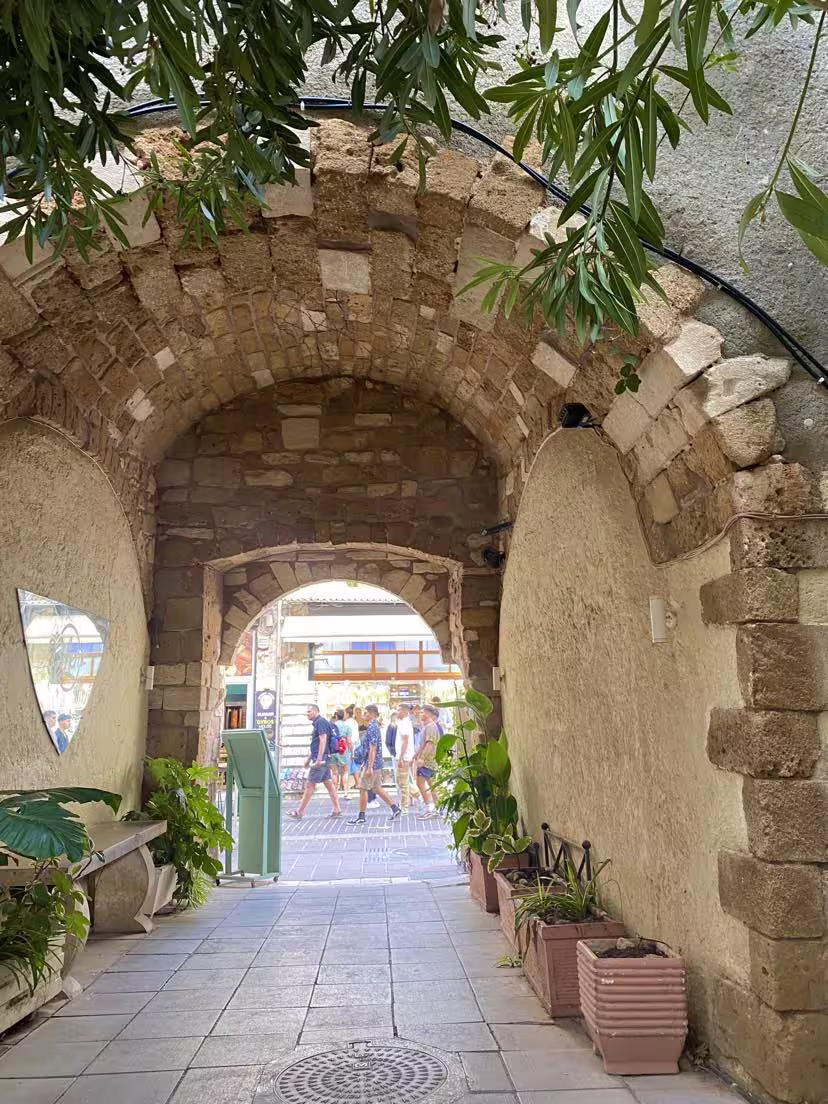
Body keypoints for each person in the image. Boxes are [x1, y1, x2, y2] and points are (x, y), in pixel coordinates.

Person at [348, 704, 401, 825]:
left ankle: (361, 816)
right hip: (376, 762)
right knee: (376, 788)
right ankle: (394, 808)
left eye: (366, 713)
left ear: (372, 714)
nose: (364, 715)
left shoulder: (372, 727)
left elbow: (373, 748)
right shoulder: (374, 726)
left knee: (363, 788)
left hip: (372, 763)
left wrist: (370, 767)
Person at [289, 705, 342, 819]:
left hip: (321, 759)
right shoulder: (319, 722)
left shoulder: (320, 722)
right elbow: (316, 743)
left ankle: (300, 811)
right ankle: (337, 809)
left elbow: (323, 740)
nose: (307, 714)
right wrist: (308, 760)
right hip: (323, 757)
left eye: (309, 711)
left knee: (310, 784)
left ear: (315, 711)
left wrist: (318, 759)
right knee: (328, 783)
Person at [414, 704, 440, 819]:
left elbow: (429, 744)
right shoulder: (427, 726)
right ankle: (436, 808)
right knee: (432, 784)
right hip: (429, 760)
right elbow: (423, 744)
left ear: (429, 713)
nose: (421, 714)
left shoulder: (430, 727)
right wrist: (416, 755)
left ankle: (430, 808)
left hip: (428, 761)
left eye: (423, 712)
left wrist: (422, 758)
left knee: (421, 782)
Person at [394, 704, 416, 814]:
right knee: (402, 781)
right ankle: (420, 796)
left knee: (403, 783)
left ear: (404, 711)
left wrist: (401, 757)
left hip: (404, 757)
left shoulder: (405, 723)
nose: (397, 712)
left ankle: (405, 806)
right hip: (403, 756)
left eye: (398, 710)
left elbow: (405, 741)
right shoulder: (403, 723)